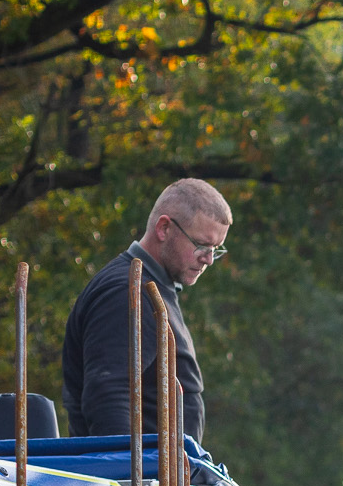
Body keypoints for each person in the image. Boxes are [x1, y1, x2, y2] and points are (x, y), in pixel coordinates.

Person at [61, 178, 233, 442]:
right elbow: (109, 393)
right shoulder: (128, 292)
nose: (209, 259)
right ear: (164, 228)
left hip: (160, 476)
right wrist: (129, 479)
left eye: (215, 249)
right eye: (201, 245)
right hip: (139, 479)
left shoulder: (150, 287)